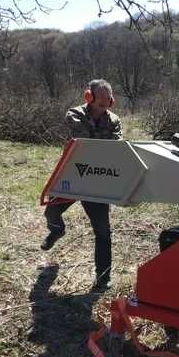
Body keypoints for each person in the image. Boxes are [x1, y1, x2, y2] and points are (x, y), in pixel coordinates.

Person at [41, 79, 122, 292]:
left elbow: (116, 147)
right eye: (102, 98)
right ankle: (57, 230)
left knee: (103, 232)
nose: (106, 102)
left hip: (96, 178)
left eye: (109, 99)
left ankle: (103, 277)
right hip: (73, 172)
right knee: (51, 212)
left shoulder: (113, 120)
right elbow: (84, 142)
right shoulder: (74, 114)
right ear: (89, 97)